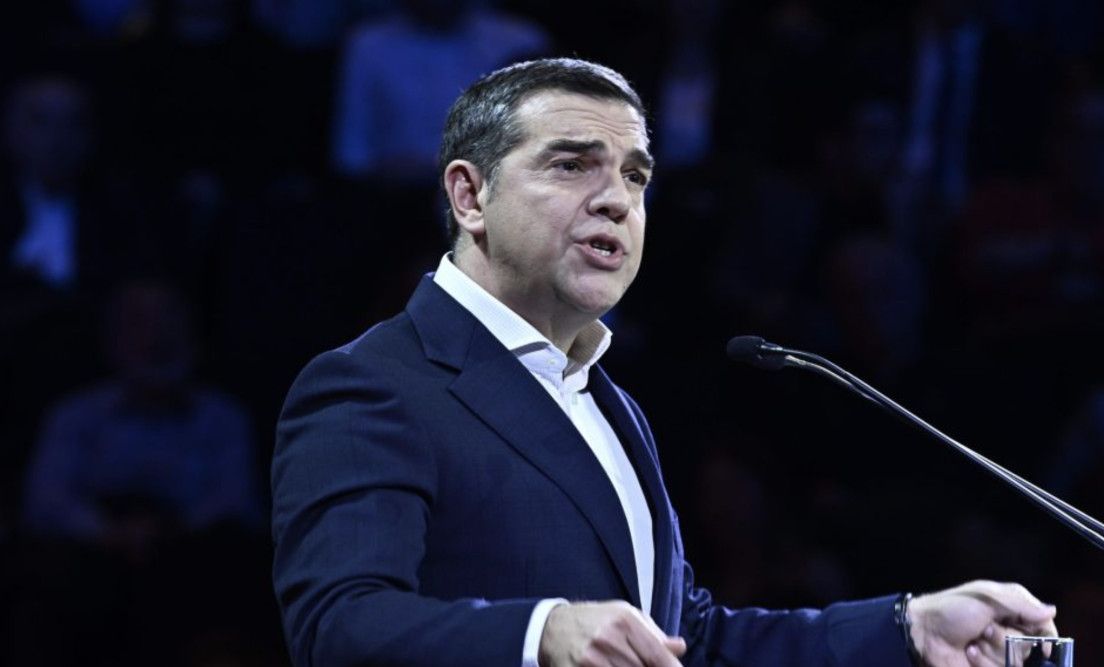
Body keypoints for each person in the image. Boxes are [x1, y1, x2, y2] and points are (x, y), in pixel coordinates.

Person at [272, 58, 1058, 666]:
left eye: (635, 175)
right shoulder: (373, 385)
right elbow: (338, 625)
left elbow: (686, 639)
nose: (617, 199)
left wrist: (906, 627)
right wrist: (544, 633)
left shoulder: (608, 402)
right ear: (470, 196)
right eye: (572, 165)